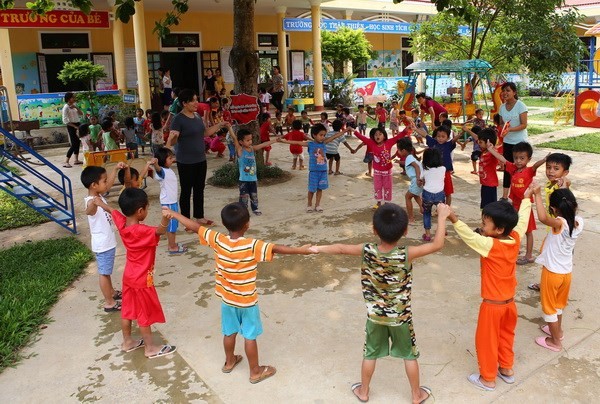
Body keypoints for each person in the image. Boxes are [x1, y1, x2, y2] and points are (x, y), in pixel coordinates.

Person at [310, 202, 452, 403]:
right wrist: (442, 217)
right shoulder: (406, 254)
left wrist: (317, 248)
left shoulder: (367, 250)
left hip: (375, 317)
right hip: (400, 318)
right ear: (405, 230)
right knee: (409, 356)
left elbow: (341, 248)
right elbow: (437, 244)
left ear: (374, 229)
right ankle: (416, 395)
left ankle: (364, 391)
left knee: (370, 354)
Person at [165, 202, 313, 383]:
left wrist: (173, 213)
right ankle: (255, 371)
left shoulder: (218, 240)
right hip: (247, 301)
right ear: (247, 225)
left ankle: (229, 362)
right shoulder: (252, 245)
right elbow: (277, 248)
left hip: (227, 299)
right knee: (249, 336)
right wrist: (301, 250)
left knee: (229, 332)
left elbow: (195, 226)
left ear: (225, 223)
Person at [446, 196, 532, 391]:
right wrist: (527, 199)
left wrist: (453, 218)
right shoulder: (515, 238)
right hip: (510, 304)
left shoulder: (490, 245)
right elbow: (523, 221)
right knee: (506, 336)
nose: (481, 226)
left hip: (492, 306)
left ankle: (488, 379)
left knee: (486, 341)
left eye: (485, 224)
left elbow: (469, 236)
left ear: (499, 229)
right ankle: (507, 369)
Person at [95, 188, 177, 359]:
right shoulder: (142, 231)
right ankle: (150, 348)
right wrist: (165, 218)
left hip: (129, 276)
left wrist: (99, 203)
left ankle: (127, 342)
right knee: (143, 313)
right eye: (147, 208)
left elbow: (112, 210)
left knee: (127, 309)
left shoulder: (122, 223)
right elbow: (159, 232)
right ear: (140, 211)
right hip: (142, 279)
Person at [529, 185, 583, 352]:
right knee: (558, 305)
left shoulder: (559, 224)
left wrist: (537, 195)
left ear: (553, 208)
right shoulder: (579, 222)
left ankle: (555, 342)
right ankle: (558, 331)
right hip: (566, 273)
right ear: (574, 206)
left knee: (549, 308)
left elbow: (544, 219)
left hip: (552, 273)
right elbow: (565, 205)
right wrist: (564, 187)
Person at [167, 89, 229, 227]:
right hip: (185, 161)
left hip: (200, 160)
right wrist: (173, 138)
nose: (196, 103)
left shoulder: (196, 116)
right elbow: (172, 141)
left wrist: (219, 125)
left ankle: (199, 217)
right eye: (193, 100)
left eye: (196, 99)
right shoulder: (178, 119)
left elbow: (205, 133)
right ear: (184, 103)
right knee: (186, 190)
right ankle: (186, 220)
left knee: (199, 189)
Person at [486, 141, 547, 264]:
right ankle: (515, 248)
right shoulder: (513, 168)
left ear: (528, 159)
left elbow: (536, 165)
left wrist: (545, 159)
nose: (518, 161)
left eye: (522, 158)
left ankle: (529, 255)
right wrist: (491, 150)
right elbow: (502, 158)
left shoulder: (530, 171)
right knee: (512, 228)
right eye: (516, 158)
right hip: (515, 205)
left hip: (525, 206)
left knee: (528, 231)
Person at [81, 164, 126, 313]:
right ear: (94, 185)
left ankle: (112, 293)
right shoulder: (91, 200)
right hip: (103, 244)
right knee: (104, 273)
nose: (107, 184)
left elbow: (109, 185)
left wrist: (115, 170)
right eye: (104, 181)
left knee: (107, 271)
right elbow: (89, 211)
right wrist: (94, 203)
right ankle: (109, 302)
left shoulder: (98, 195)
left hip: (107, 242)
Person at [528, 152, 572, 292]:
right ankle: (548, 283)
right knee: (548, 257)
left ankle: (551, 284)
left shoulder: (560, 187)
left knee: (554, 258)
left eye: (556, 168)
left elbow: (566, 191)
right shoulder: (549, 184)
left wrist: (564, 184)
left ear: (565, 172)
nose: (551, 171)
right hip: (552, 229)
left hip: (559, 231)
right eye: (548, 167)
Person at [279, 123, 346, 212]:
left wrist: (346, 130)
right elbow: (296, 142)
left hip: (323, 171)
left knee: (320, 189)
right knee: (312, 189)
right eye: (321, 135)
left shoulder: (324, 143)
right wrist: (282, 140)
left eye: (324, 135)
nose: (323, 137)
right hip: (314, 171)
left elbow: (335, 136)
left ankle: (317, 205)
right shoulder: (310, 144)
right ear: (314, 135)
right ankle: (309, 204)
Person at [352, 125, 411, 209]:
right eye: (376, 135)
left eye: (380, 134)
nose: (377, 136)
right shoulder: (371, 143)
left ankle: (387, 203)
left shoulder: (389, 142)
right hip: (377, 171)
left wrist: (405, 130)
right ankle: (378, 202)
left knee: (388, 187)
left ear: (384, 136)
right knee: (377, 187)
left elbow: (398, 136)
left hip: (387, 171)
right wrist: (354, 131)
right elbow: (362, 137)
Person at [235, 129, 279, 215]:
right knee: (244, 196)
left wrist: (274, 140)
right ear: (241, 142)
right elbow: (234, 138)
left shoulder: (252, 149)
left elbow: (263, 144)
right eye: (247, 140)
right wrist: (229, 129)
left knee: (254, 195)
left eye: (251, 139)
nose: (250, 142)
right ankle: (243, 211)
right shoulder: (240, 150)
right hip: (244, 179)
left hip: (253, 178)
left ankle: (255, 208)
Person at [415, 125, 460, 206]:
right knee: (433, 190)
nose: (440, 138)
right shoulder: (433, 143)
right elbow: (425, 135)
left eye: (443, 136)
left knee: (448, 192)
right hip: (432, 172)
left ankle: (447, 208)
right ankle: (435, 206)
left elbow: (454, 140)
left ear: (447, 137)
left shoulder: (448, 145)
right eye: (438, 136)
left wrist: (462, 133)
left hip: (445, 172)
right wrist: (415, 129)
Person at [498, 82, 528, 200]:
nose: (505, 93)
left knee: (520, 168)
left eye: (508, 90)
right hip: (508, 142)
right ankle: (505, 196)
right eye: (503, 90)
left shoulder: (521, 106)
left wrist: (510, 129)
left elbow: (524, 125)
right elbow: (501, 123)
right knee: (508, 168)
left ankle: (522, 193)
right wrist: (504, 128)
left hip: (520, 142)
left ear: (514, 92)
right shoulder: (502, 107)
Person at [420, 148, 446, 241]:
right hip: (440, 194)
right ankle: (443, 230)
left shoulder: (425, 169)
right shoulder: (443, 168)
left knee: (426, 213)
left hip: (427, 194)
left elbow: (421, 178)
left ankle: (427, 235)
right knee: (441, 213)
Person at [396, 137, 423, 223]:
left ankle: (411, 218)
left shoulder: (409, 158)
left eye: (399, 150)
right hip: (418, 180)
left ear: (403, 150)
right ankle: (422, 208)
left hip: (416, 180)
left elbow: (417, 167)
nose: (398, 152)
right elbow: (409, 164)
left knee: (407, 197)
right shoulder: (410, 157)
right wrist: (399, 162)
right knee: (415, 195)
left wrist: (418, 179)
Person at [474, 128, 499, 209]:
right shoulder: (484, 151)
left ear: (488, 142)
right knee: (484, 205)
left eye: (481, 142)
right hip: (484, 184)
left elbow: (498, 156)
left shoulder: (492, 153)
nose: (479, 144)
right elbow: (476, 137)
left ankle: (489, 220)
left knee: (490, 207)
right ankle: (485, 219)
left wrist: (491, 149)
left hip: (490, 185)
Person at [62, 92, 83, 168]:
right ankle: (66, 161)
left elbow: (81, 114)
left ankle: (76, 160)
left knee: (77, 142)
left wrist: (75, 107)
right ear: (68, 99)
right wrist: (75, 126)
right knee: (74, 144)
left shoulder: (75, 105)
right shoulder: (66, 107)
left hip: (77, 124)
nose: (74, 98)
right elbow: (65, 121)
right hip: (71, 126)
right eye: (72, 97)